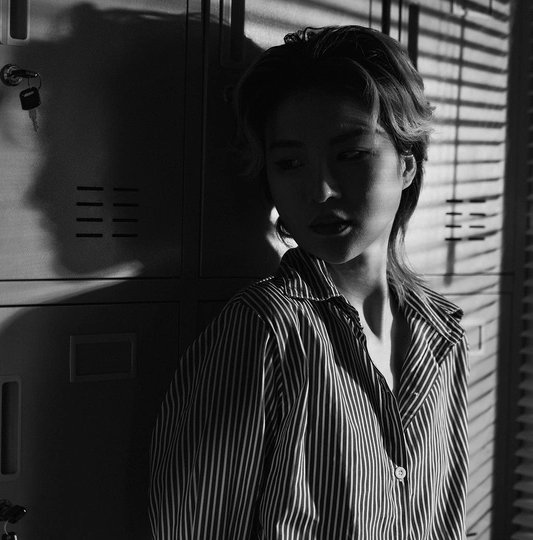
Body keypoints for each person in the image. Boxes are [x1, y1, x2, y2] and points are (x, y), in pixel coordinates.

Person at [149, 25, 469, 540]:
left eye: (350, 154)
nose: (319, 190)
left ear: (406, 166)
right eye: (290, 163)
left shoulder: (442, 333)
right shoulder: (266, 328)